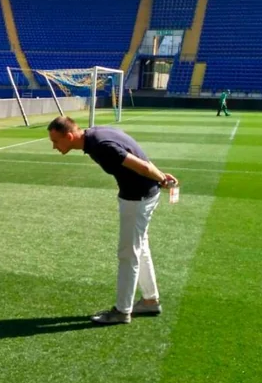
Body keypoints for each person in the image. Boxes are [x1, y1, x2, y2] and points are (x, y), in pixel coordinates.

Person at [47, 116, 178, 325]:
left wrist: (161, 178)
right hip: (142, 195)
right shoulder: (98, 134)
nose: (54, 147)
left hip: (137, 198)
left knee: (128, 254)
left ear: (69, 136)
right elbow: (138, 154)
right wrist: (160, 176)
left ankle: (122, 310)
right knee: (140, 247)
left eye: (55, 141)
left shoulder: (101, 146)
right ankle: (150, 300)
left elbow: (142, 166)